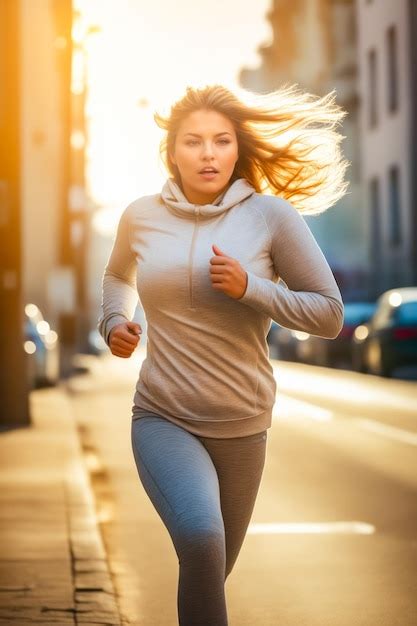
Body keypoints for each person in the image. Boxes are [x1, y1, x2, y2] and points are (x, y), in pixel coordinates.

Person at [97, 82, 347, 626]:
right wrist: (114, 319)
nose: (208, 154)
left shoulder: (273, 217)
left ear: (237, 150)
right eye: (193, 141)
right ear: (172, 151)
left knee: (208, 571)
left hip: (243, 426)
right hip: (164, 416)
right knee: (202, 539)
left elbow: (329, 314)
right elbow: (118, 274)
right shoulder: (140, 215)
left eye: (221, 141)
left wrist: (251, 289)